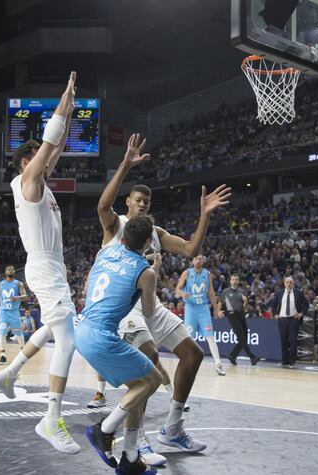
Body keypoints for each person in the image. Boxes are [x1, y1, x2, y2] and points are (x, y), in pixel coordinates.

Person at [91, 133, 231, 458]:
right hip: (123, 309)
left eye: (147, 203)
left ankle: (172, 429)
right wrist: (126, 164)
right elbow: (102, 205)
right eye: (137, 200)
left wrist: (204, 215)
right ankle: (137, 441)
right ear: (128, 202)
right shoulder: (117, 226)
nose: (142, 205)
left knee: (193, 355)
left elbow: (191, 248)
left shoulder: (155, 232)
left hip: (150, 307)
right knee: (149, 361)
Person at [0, 71, 80, 454]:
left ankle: (9, 373)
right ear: (27, 160)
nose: (48, 159)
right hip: (43, 265)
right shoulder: (28, 180)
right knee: (68, 339)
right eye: (39, 155)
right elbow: (49, 143)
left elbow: (55, 146)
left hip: (51, 266)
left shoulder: (38, 181)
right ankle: (51, 419)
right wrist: (62, 101)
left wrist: (71, 110)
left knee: (53, 325)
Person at [76, 216, 162, 475]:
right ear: (147, 242)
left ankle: (131, 458)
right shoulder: (145, 272)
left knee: (138, 386)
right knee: (153, 380)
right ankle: (103, 430)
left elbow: (91, 282)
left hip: (83, 328)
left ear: (123, 237)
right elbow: (147, 312)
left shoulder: (107, 251)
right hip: (103, 336)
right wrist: (153, 275)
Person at [176, 255, 226, 376]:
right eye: (196, 259)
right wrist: (182, 294)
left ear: (203, 261)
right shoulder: (187, 273)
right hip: (191, 308)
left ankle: (218, 364)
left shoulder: (207, 274)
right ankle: (188, 363)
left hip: (203, 308)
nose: (198, 261)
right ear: (192, 261)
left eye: (200, 259)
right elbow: (178, 289)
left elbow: (211, 292)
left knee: (210, 337)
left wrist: (215, 309)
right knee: (190, 338)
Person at [218, 273, 260, 366]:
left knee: (244, 338)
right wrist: (218, 311)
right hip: (231, 314)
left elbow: (244, 307)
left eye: (236, 280)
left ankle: (232, 355)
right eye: (233, 279)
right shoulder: (225, 291)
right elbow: (220, 302)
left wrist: (245, 301)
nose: (235, 281)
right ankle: (252, 357)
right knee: (241, 337)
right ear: (230, 281)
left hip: (241, 314)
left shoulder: (242, 291)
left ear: (238, 281)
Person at [0, 265, 28, 364]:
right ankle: (3, 355)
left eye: (12, 269)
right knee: (2, 333)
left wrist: (16, 297)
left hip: (14, 313)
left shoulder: (18, 284)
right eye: (9, 269)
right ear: (5, 272)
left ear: (14, 272)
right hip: (3, 313)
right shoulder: (0, 285)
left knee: (18, 334)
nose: (11, 270)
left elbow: (25, 296)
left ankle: (22, 353)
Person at [272, 277, 309, 368]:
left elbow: (306, 304)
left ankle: (292, 361)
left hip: (294, 320)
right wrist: (275, 314)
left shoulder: (298, 293)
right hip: (282, 320)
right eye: (287, 282)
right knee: (283, 341)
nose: (289, 284)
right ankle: (285, 361)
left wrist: (301, 313)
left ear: (293, 284)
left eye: (290, 282)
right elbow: (273, 305)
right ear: (284, 283)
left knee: (293, 341)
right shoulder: (279, 293)